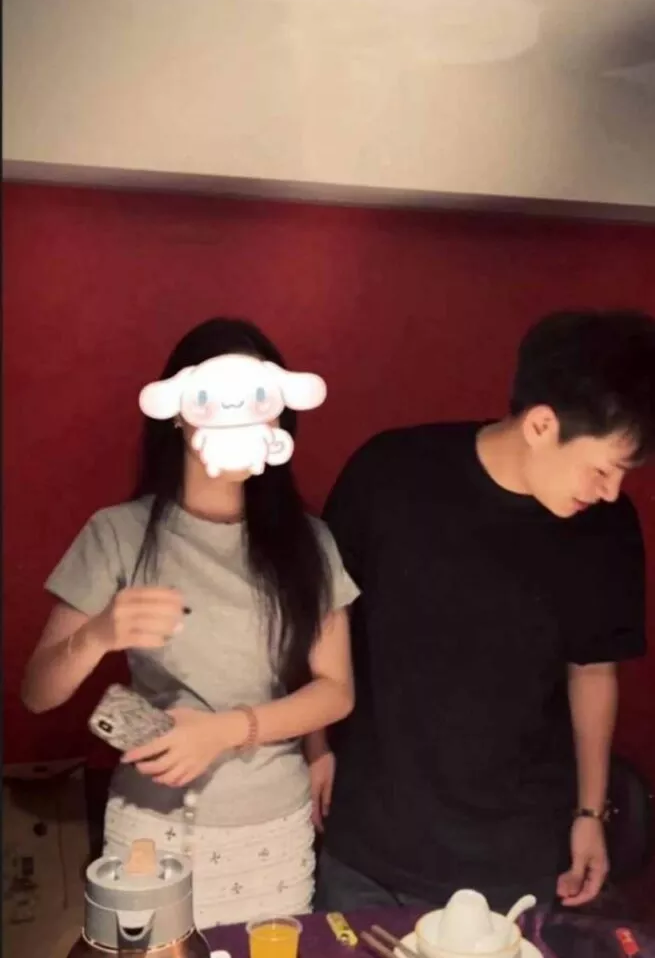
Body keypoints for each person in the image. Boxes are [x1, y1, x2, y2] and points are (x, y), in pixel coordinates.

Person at [311, 309, 655, 913]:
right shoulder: (390, 475)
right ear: (542, 424)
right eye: (603, 469)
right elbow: (319, 616)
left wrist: (589, 813)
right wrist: (315, 749)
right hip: (371, 842)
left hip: (517, 854)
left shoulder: (606, 530)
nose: (609, 492)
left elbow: (594, 669)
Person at [22, 317, 359, 928]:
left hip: (271, 829)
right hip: (152, 830)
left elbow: (335, 690)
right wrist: (98, 634)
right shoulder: (118, 532)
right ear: (178, 411)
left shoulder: (309, 542)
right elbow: (37, 692)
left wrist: (226, 731)